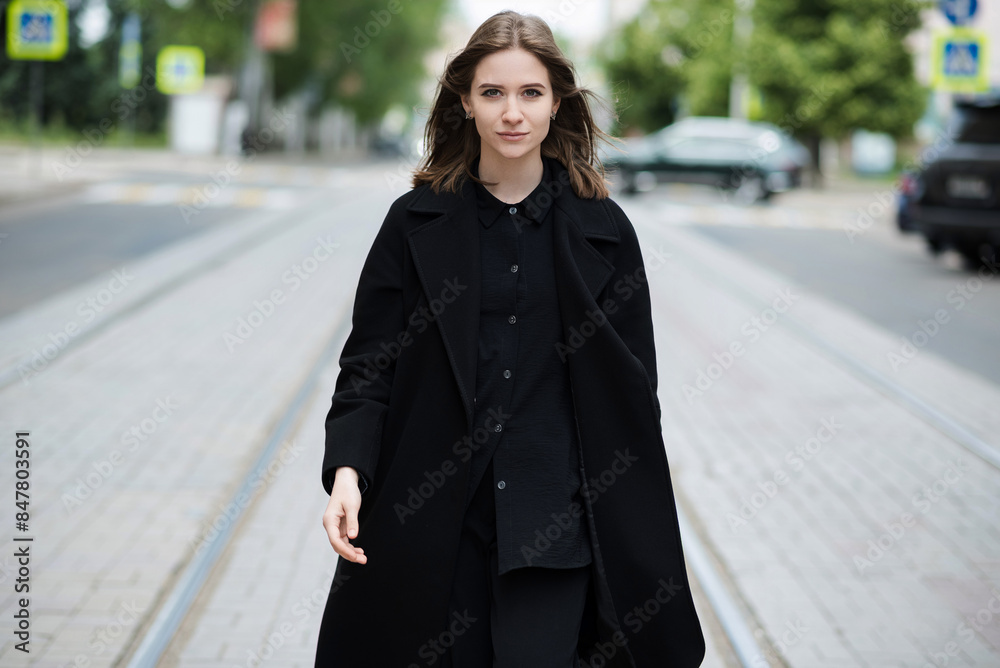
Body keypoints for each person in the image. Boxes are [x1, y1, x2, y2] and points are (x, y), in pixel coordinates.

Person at [315, 10, 705, 668]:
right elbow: (368, 365)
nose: (512, 113)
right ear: (464, 101)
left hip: (556, 534)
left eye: (530, 93)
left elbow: (635, 394)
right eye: (493, 92)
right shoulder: (413, 223)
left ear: (558, 103)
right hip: (432, 526)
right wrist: (348, 472)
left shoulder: (605, 232)